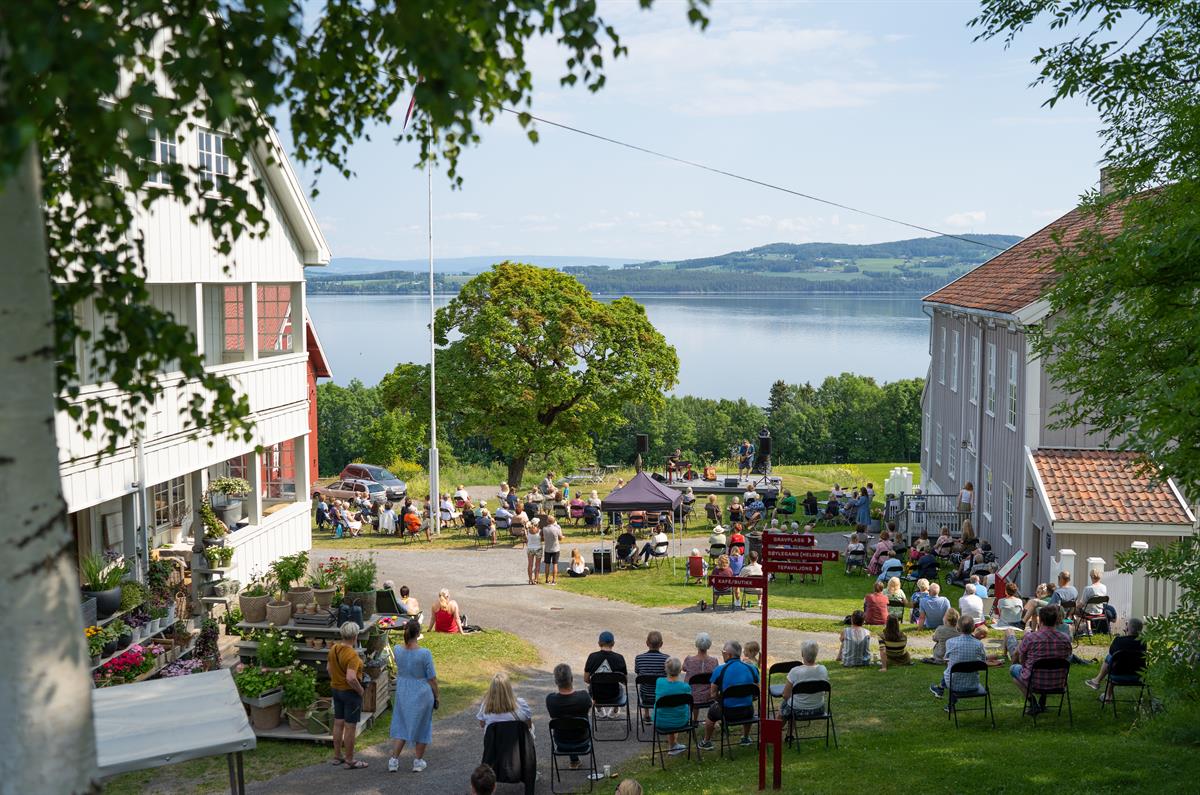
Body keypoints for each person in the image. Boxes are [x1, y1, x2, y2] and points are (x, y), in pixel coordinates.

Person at [388, 619, 438, 772]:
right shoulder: (425, 654)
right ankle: (417, 761)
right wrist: (437, 696)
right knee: (423, 725)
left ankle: (393, 761)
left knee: (401, 723)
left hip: (403, 691)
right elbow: (432, 679)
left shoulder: (397, 650)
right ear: (418, 634)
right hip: (422, 691)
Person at [1007, 605, 1072, 714]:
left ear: (1040, 620)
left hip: (1034, 682)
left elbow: (1021, 657)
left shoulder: (1031, 637)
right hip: (1059, 682)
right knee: (1047, 667)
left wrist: (1024, 665)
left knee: (1014, 669)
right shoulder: (1065, 638)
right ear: (1056, 620)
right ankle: (1043, 701)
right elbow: (1067, 656)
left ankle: (1032, 702)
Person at [698, 640, 759, 750]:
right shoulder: (752, 669)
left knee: (711, 713)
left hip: (727, 712)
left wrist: (721, 700)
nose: (722, 654)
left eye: (723, 652)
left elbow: (713, 694)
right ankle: (745, 737)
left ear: (729, 655)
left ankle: (706, 741)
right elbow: (757, 690)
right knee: (749, 704)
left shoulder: (720, 670)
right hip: (747, 711)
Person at [327, 621, 367, 769]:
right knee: (350, 726)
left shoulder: (334, 649)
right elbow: (351, 678)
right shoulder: (352, 656)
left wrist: (336, 681)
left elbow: (329, 668)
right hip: (350, 694)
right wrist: (360, 690)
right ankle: (350, 759)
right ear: (355, 636)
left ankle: (337, 756)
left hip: (336, 690)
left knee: (338, 723)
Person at [545, 663, 593, 771]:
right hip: (583, 742)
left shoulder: (550, 700)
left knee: (567, 720)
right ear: (571, 678)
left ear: (556, 681)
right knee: (582, 718)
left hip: (561, 744)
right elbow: (589, 707)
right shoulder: (583, 696)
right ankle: (574, 759)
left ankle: (574, 760)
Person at [929, 613, 988, 701]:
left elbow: (946, 659)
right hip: (973, 684)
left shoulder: (950, 642)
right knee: (954, 667)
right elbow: (983, 661)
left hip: (952, 684)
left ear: (958, 628)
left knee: (951, 667)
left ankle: (943, 692)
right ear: (973, 628)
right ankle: (948, 701)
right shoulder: (979, 644)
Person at [1085, 618, 1146, 695]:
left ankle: (1097, 682)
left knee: (1110, 658)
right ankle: (1104, 692)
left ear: (1127, 628)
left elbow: (1111, 654)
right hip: (1138, 675)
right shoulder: (1143, 643)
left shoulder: (1118, 640)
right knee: (1115, 659)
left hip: (1118, 673)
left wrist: (1125, 635)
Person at [780, 640, 829, 723]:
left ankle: (774, 734)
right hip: (819, 708)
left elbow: (785, 695)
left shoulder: (795, 671)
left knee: (784, 707)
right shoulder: (823, 669)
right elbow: (824, 692)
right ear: (816, 654)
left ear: (802, 654)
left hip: (798, 710)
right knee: (791, 703)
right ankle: (789, 733)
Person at [653, 657, 692, 756]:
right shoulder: (685, 687)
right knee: (675, 710)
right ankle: (673, 745)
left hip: (660, 720)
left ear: (666, 669)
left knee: (670, 710)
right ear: (680, 670)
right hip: (680, 721)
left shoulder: (659, 682)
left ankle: (673, 745)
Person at [584, 631, 628, 717]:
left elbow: (586, 679)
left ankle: (599, 709)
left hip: (597, 696)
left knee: (591, 687)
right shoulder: (619, 658)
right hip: (614, 695)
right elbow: (624, 681)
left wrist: (598, 681)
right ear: (613, 643)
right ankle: (615, 710)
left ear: (599, 643)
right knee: (621, 688)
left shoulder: (592, 657)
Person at [683, 632, 719, 719]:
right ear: (709, 645)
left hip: (692, 697)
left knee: (695, 688)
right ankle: (711, 719)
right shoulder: (714, 661)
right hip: (709, 697)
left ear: (696, 644)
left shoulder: (689, 660)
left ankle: (694, 720)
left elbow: (683, 668)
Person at [634, 631, 669, 720]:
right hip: (661, 697)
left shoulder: (639, 658)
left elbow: (639, 674)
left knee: (645, 682)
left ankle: (646, 714)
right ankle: (660, 714)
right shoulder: (667, 659)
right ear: (661, 644)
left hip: (646, 696)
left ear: (647, 643)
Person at [542, 516, 564, 585]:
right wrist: (563, 537)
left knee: (547, 564)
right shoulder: (557, 528)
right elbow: (560, 538)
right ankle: (554, 580)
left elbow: (542, 538)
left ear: (547, 521)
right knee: (555, 564)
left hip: (547, 549)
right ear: (554, 521)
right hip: (555, 548)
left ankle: (546, 580)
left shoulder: (544, 529)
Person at [523, 518, 542, 585]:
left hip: (530, 548)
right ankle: (536, 579)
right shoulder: (540, 531)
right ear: (537, 523)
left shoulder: (527, 531)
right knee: (537, 565)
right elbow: (542, 539)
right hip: (538, 548)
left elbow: (525, 540)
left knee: (530, 564)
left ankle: (530, 579)